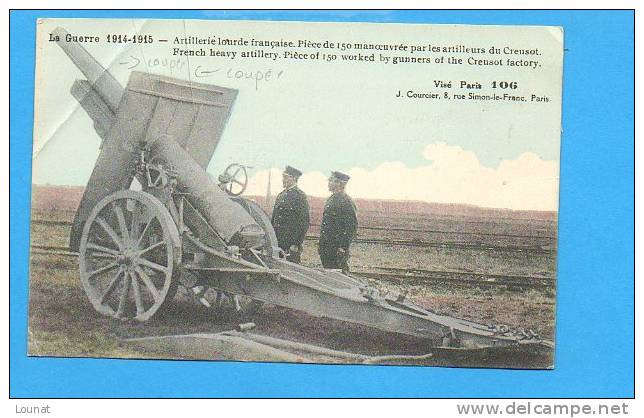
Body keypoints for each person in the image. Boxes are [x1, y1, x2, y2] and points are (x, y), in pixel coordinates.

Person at [318, 171, 358, 272]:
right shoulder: (331, 199)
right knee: (329, 275)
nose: (328, 183)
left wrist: (343, 247)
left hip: (337, 249)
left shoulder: (346, 201)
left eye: (331, 180)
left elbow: (351, 227)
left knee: (339, 277)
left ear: (339, 183)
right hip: (327, 247)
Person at [271, 166, 310, 263]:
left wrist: (296, 243)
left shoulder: (300, 196)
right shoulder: (281, 195)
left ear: (294, 178)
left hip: (290, 244)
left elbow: (304, 222)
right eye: (283, 177)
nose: (283, 180)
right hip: (278, 242)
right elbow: (274, 218)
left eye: (286, 177)